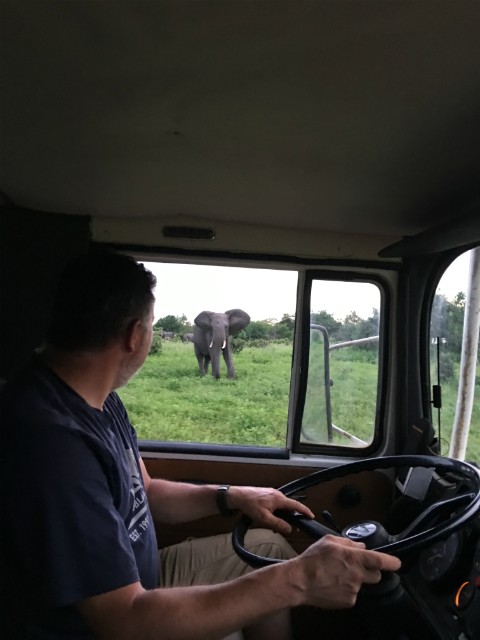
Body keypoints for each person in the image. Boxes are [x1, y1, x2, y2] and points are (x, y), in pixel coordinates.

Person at [0, 250, 401, 640]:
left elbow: (148, 492)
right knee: (270, 581)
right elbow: (124, 623)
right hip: (114, 618)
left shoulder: (97, 400)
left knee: (268, 546)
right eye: (152, 324)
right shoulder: (52, 444)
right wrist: (300, 579)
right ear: (134, 335)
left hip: (140, 581)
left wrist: (232, 496)